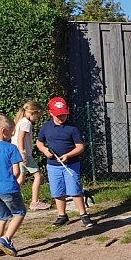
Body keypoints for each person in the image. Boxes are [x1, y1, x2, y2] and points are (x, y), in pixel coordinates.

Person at [36, 97, 95, 228]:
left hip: (71, 164)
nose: (62, 117)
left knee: (75, 189)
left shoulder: (72, 128)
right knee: (58, 191)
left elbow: (80, 147)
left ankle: (83, 215)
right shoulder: (46, 128)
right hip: (53, 166)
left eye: (64, 114)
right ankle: (62, 215)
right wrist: (45, 150)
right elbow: (39, 142)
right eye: (59, 115)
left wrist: (68, 155)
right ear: (50, 113)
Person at [0, 114, 26, 258]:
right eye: (11, 131)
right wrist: (17, 179)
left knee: (1, 217)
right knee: (19, 213)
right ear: (3, 131)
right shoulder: (11, 148)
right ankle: (6, 239)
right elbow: (16, 171)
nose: (12, 134)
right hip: (8, 187)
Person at [11, 101, 50, 210]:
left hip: (17, 154)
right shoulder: (26, 123)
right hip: (24, 154)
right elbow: (20, 139)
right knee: (38, 176)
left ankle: (11, 199)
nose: (37, 119)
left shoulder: (20, 121)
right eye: (38, 116)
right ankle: (35, 202)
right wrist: (23, 153)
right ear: (34, 113)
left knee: (21, 177)